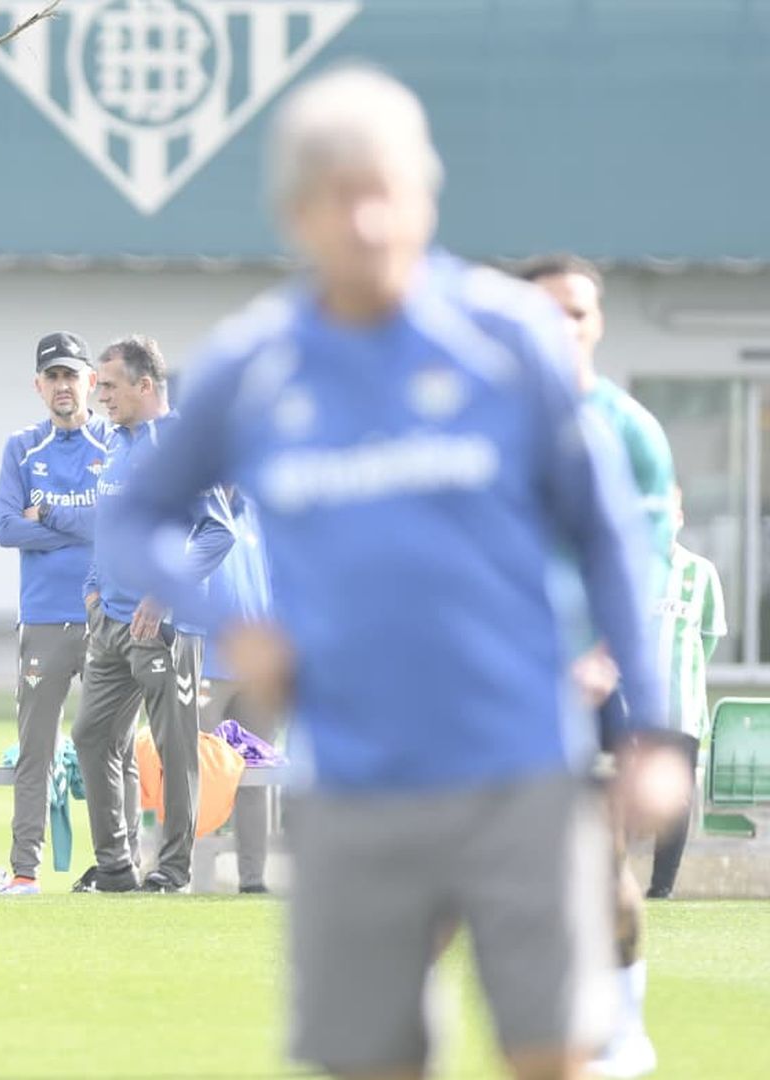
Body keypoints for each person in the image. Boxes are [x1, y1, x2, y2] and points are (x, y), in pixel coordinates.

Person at [102, 67, 689, 1079]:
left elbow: (608, 536)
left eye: (390, 190)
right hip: (356, 785)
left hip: (521, 772)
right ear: (295, 213)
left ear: (425, 193)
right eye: (340, 195)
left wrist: (655, 728)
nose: (369, 220)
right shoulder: (258, 364)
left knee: (553, 1054)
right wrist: (229, 622)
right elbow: (130, 520)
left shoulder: (506, 339)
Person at [520, 253, 677, 1078]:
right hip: (510, 681)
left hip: (602, 681)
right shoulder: (487, 427)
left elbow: (646, 566)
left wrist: (606, 658)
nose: (561, 329)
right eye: (543, 314)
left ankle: (624, 1031)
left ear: (598, 322)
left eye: (575, 314)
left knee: (601, 860)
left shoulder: (631, 431)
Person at [71, 335, 232, 895]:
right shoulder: (114, 443)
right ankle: (115, 865)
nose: (100, 397)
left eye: (110, 386)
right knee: (91, 734)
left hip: (163, 630)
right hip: (110, 625)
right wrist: (92, 592)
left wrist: (163, 595)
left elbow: (219, 532)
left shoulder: (180, 445)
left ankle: (173, 869)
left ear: (145, 385)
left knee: (175, 749)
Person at [0, 331, 112, 895]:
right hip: (43, 617)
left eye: (73, 375)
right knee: (36, 746)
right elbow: (5, 528)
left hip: (109, 614)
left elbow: (109, 524)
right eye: (53, 377)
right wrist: (66, 526)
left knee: (111, 745)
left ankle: (118, 866)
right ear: (39, 386)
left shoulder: (115, 442)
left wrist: (51, 520)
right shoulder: (22, 447)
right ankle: (24, 871)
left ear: (91, 381)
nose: (64, 386)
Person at [645, 487, 725, 900]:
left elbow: (708, 638)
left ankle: (661, 888)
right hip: (636, 709)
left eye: (669, 513)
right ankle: (606, 883)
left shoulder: (702, 572)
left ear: (680, 517)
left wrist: (683, 674)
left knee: (676, 799)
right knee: (623, 794)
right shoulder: (631, 567)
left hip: (683, 710)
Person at [197, 487, 276, 894]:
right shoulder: (196, 509)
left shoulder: (258, 511)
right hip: (207, 664)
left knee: (256, 774)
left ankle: (253, 878)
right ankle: (195, 876)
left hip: (257, 669)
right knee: (203, 774)